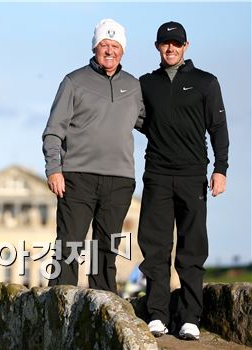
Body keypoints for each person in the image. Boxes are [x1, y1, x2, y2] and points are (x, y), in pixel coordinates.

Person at [138, 21, 229, 340]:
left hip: (193, 175)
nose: (171, 48)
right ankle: (158, 315)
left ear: (186, 46)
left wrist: (221, 169)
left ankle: (190, 317)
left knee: (192, 247)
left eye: (177, 43)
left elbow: (218, 128)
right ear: (157, 47)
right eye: (165, 43)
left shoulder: (206, 82)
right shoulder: (146, 84)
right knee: (155, 247)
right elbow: (134, 121)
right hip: (157, 175)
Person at [42, 19, 145, 293]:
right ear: (95, 47)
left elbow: (155, 126)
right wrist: (54, 169)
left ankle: (105, 315)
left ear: (122, 51)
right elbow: (53, 131)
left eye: (115, 46)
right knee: (70, 247)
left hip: (119, 180)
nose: (109, 51)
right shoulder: (74, 82)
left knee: (106, 251)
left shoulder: (134, 88)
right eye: (104, 45)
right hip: (77, 178)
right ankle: (59, 312)